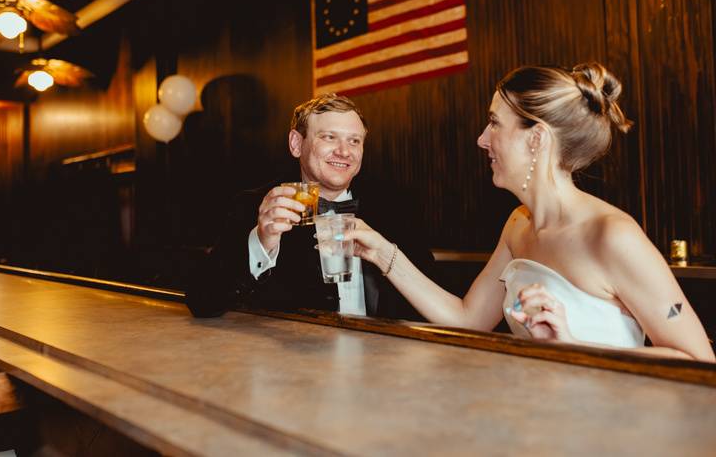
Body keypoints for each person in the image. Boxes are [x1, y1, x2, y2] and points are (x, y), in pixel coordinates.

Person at [343, 63, 715, 361]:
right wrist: (382, 253)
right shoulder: (519, 225)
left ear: (536, 138)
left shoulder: (611, 235)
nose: (482, 139)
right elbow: (468, 319)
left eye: (494, 123)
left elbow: (698, 360)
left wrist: (572, 347)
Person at [186, 93, 436, 319]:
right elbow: (203, 302)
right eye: (329, 137)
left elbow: (434, 295)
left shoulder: (396, 207)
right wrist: (260, 243)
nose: (344, 152)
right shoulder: (256, 204)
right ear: (296, 144)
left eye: (354, 141)